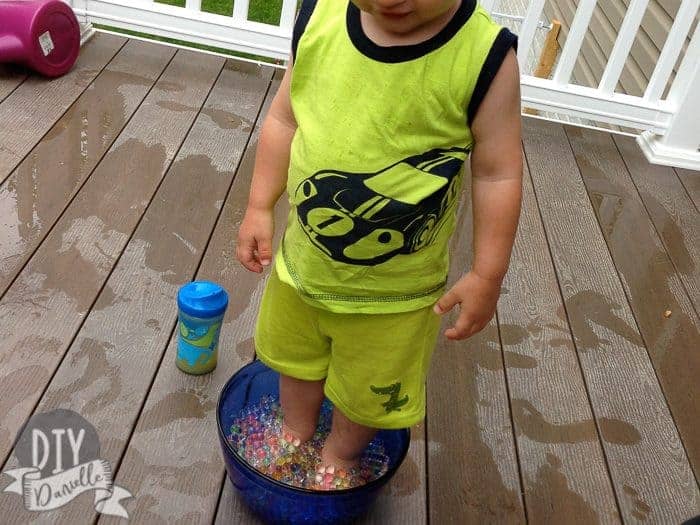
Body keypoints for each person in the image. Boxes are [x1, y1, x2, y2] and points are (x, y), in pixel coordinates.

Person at [236, 0, 522, 488]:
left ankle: (342, 453)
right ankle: (297, 428)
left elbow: (498, 173)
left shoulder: (483, 57)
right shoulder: (318, 18)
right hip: (304, 266)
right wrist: (260, 204)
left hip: (396, 296)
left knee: (369, 390)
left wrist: (487, 274)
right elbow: (286, 119)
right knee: (295, 360)